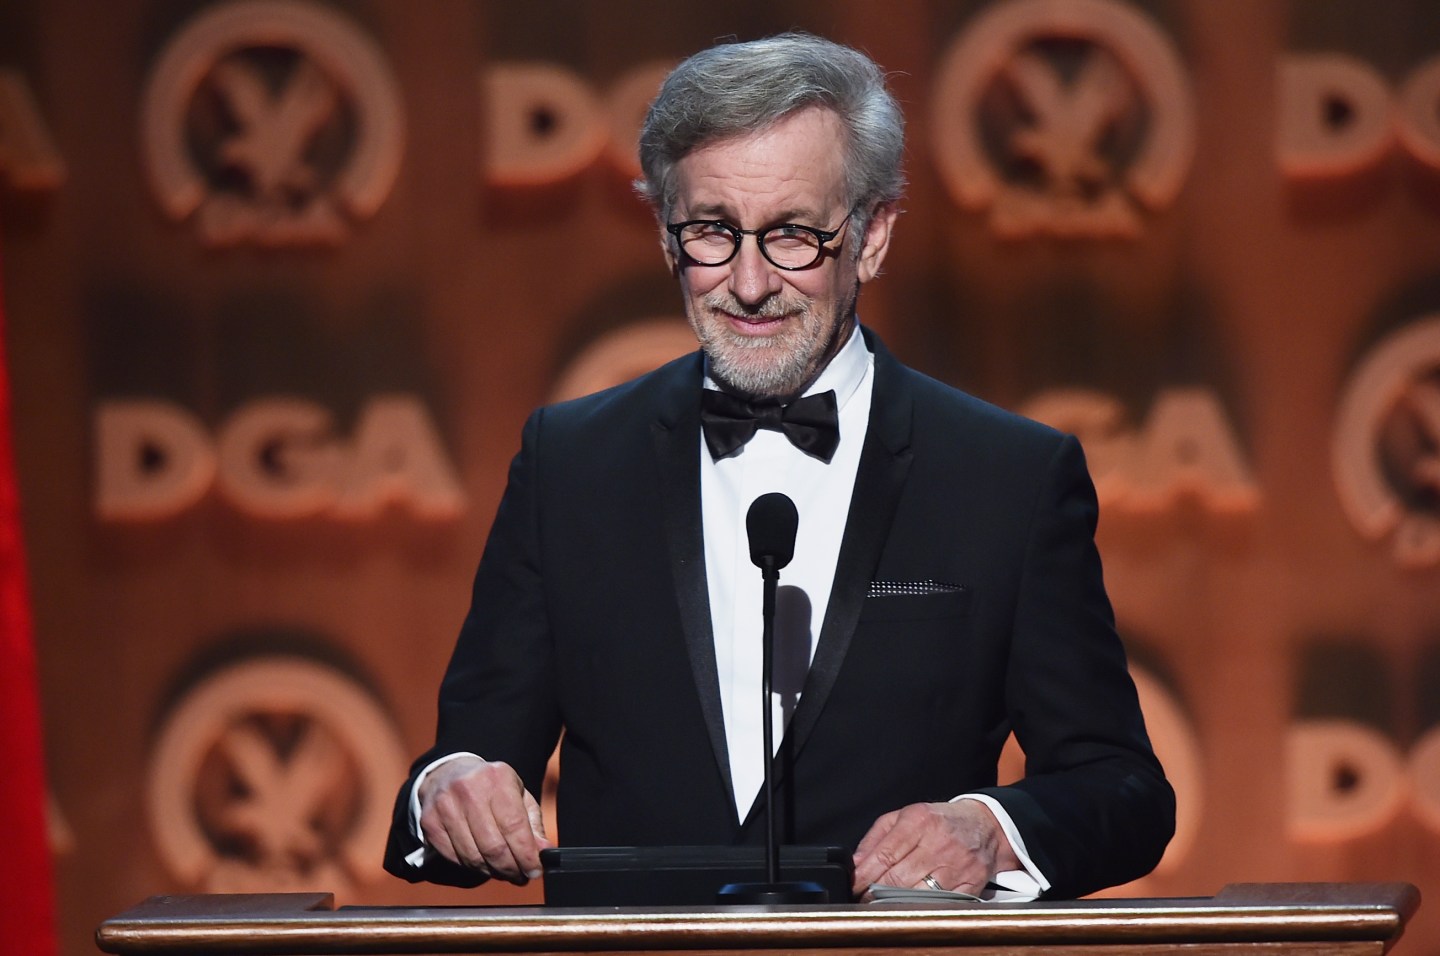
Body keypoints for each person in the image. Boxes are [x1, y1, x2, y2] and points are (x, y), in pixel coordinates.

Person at [384, 32, 1174, 901]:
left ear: (872, 236)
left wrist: (992, 831)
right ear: (664, 236)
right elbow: (468, 756)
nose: (751, 283)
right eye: (713, 233)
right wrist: (448, 790)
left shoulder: (1008, 478)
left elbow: (1124, 790)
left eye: (795, 234)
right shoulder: (569, 465)